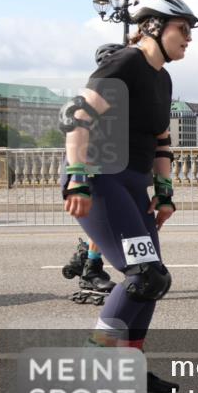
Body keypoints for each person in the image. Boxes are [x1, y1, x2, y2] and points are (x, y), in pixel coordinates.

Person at [60, 0, 198, 393]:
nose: (188, 38)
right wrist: (78, 178)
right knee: (142, 276)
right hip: (101, 182)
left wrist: (166, 193)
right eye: (183, 29)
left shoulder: (162, 76)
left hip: (132, 185)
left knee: (153, 280)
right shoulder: (127, 62)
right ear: (153, 26)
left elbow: (161, 139)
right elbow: (77, 116)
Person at [62, 44, 127, 304]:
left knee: (109, 224)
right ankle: (90, 268)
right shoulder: (98, 94)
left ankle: (87, 257)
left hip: (109, 166)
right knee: (109, 223)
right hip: (91, 167)